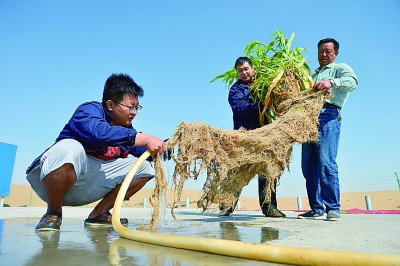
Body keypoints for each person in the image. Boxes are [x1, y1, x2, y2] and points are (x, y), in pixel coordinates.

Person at [26, 73, 167, 231]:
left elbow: (142, 150)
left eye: (137, 107)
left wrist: (166, 147)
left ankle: (98, 214)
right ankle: (53, 213)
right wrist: (145, 138)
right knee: (69, 148)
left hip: (85, 185)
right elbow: (99, 133)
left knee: (144, 168)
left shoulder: (126, 130)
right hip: (50, 181)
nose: (134, 112)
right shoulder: (88, 111)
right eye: (130, 107)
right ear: (110, 105)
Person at [298, 38, 358, 221]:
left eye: (328, 51)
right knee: (308, 166)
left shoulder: (340, 68)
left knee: (326, 162)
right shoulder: (312, 75)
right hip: (308, 119)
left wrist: (331, 82)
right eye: (320, 51)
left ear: (335, 53)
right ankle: (316, 208)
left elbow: (353, 82)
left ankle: (333, 208)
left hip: (329, 115)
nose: (323, 54)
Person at [219, 56, 286, 218]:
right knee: (238, 172)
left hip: (265, 134)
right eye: (240, 70)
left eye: (246, 69)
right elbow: (239, 108)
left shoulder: (262, 85)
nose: (244, 72)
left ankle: (269, 207)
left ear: (253, 68)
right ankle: (227, 206)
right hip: (244, 136)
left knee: (267, 170)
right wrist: (262, 104)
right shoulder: (236, 89)